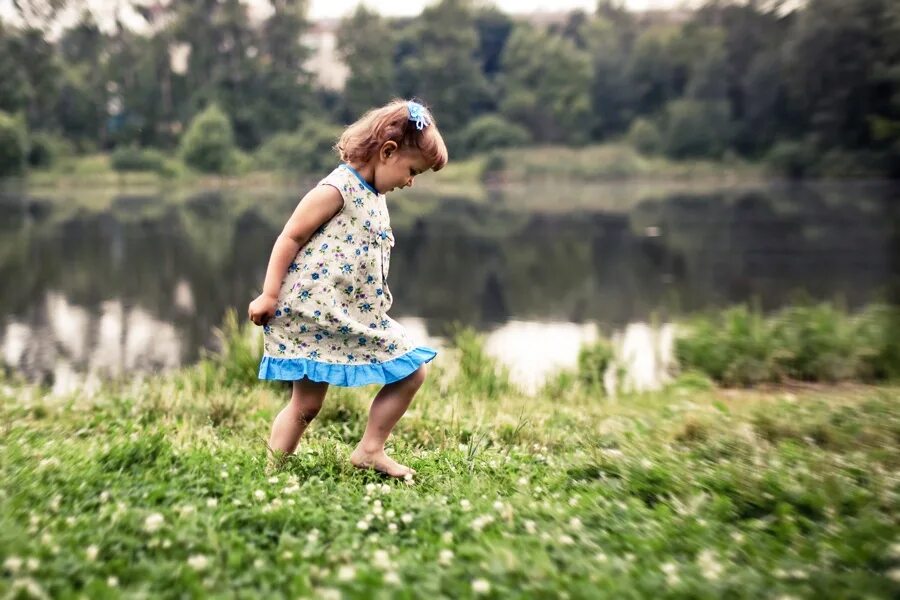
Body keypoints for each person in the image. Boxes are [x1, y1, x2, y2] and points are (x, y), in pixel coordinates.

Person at [248, 99, 448, 478]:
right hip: (313, 314)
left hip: (352, 315)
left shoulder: (376, 196)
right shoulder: (336, 188)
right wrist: (269, 294)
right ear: (387, 152)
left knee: (412, 371)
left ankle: (371, 449)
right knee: (305, 405)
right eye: (411, 170)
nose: (410, 181)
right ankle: (273, 472)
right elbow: (290, 237)